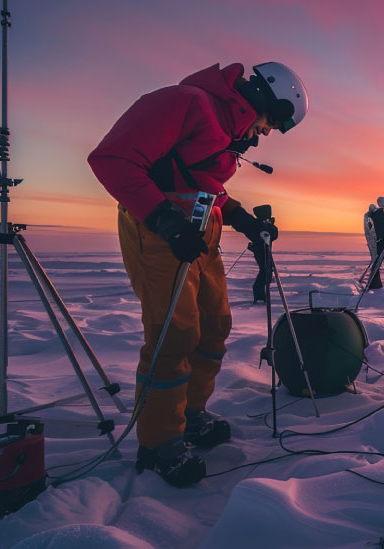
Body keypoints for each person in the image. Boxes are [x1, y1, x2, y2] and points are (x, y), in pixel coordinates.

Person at [88, 62, 307, 486]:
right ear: (262, 97)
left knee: (213, 327)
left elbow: (204, 182)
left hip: (200, 229)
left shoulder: (224, 128)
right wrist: (165, 220)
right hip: (160, 230)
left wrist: (242, 218)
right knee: (174, 334)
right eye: (271, 122)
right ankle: (159, 441)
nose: (265, 133)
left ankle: (189, 414)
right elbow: (112, 159)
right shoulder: (183, 102)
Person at [362, 197, 384, 290]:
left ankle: (374, 283)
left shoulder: (377, 213)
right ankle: (374, 283)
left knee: (377, 261)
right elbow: (379, 228)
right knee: (377, 261)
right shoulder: (378, 213)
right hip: (380, 241)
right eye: (383, 201)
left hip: (382, 240)